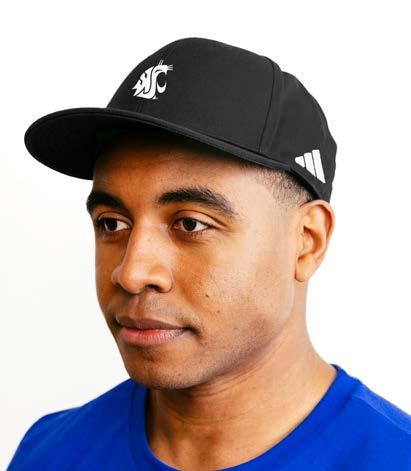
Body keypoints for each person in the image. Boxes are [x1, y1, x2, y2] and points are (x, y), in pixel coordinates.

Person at [8, 37, 411, 470]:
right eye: (112, 224)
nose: (132, 272)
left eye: (190, 224)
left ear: (307, 240)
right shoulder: (47, 453)